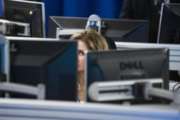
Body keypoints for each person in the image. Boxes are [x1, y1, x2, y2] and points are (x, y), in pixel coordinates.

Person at [71, 29, 109, 102]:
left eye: (80, 53)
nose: (73, 56)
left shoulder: (102, 91)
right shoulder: (64, 87)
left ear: (95, 56)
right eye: (72, 51)